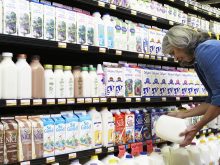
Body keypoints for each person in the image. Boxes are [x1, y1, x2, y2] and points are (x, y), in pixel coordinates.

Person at [162, 25, 220, 147]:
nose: (176, 58)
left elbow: (219, 99)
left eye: (174, 52)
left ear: (181, 43)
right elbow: (212, 100)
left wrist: (195, 128)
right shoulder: (198, 59)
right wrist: (183, 114)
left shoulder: (205, 51)